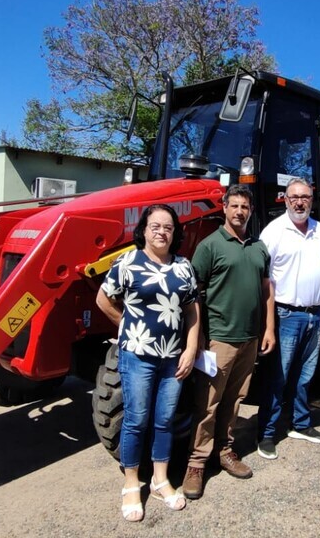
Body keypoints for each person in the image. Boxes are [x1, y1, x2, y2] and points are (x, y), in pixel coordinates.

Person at [96, 204, 200, 522]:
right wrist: (128, 327)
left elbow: (192, 310)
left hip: (173, 358)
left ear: (175, 232)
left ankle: (160, 480)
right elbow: (103, 300)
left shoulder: (183, 266)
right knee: (136, 420)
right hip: (137, 357)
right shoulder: (127, 262)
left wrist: (190, 348)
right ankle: (131, 483)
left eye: (168, 227)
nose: (161, 232)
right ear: (143, 230)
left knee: (164, 420)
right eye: (155, 226)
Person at [182, 185, 274, 500]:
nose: (239, 211)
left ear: (251, 210)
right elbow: (194, 295)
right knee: (207, 404)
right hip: (219, 339)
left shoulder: (259, 247)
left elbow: (266, 290)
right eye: (234, 205)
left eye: (244, 207)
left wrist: (268, 328)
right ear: (224, 207)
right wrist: (199, 337)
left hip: (249, 338)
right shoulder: (209, 246)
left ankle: (224, 450)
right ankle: (196, 464)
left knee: (235, 399)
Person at [257, 178, 320, 459]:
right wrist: (268, 325)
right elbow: (264, 281)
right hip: (285, 315)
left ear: (311, 200)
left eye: (305, 197)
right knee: (277, 377)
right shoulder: (273, 232)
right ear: (285, 200)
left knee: (305, 376)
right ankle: (266, 433)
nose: (300, 202)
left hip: (315, 315)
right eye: (294, 197)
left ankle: (300, 423)